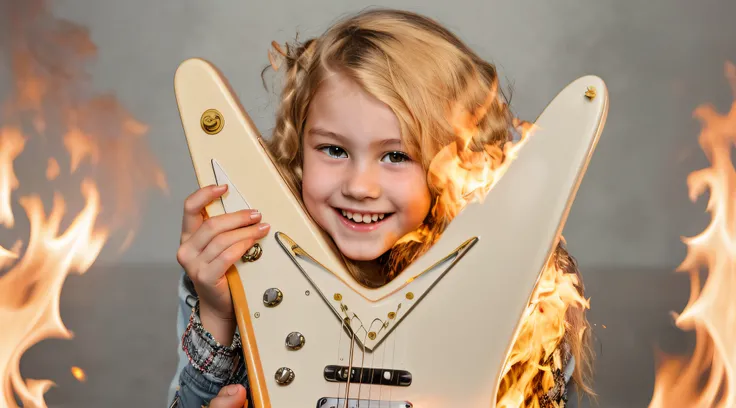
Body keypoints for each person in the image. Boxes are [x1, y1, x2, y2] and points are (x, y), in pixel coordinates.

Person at [168, 8, 594, 408]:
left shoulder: (527, 286)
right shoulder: (239, 272)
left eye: (396, 156)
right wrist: (218, 313)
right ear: (298, 148)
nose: (359, 187)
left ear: (459, 165)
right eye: (334, 149)